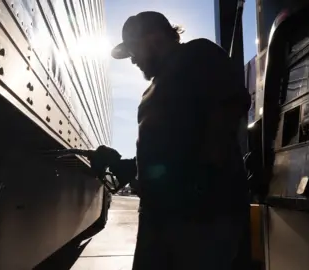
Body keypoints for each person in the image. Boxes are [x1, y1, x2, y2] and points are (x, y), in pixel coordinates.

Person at [89, 11, 251, 270]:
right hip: (160, 217)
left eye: (133, 51)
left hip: (198, 219)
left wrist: (202, 184)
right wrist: (126, 165)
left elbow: (229, 110)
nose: (132, 61)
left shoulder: (198, 55)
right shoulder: (153, 88)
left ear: (153, 39)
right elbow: (167, 154)